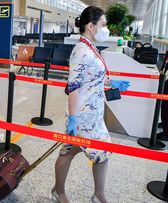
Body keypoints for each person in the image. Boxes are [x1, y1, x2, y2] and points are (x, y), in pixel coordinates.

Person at [51, 6, 131, 203]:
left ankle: (94, 194)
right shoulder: (81, 51)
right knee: (88, 152)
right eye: (103, 25)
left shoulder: (91, 47)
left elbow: (91, 76)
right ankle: (61, 192)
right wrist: (73, 118)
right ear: (91, 26)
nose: (106, 29)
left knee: (77, 151)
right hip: (82, 115)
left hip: (94, 114)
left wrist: (111, 83)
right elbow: (74, 87)